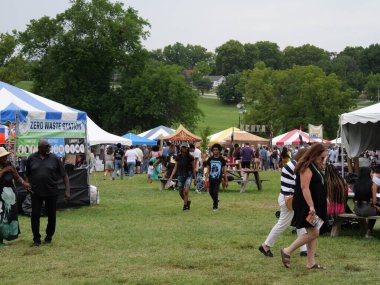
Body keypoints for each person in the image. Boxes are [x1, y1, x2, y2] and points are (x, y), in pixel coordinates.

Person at [280, 143, 328, 269]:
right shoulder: (307, 167)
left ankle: (311, 263)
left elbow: (318, 185)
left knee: (313, 231)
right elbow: (304, 188)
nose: (323, 160)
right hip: (306, 205)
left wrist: (324, 198)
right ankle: (287, 251)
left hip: (314, 205)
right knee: (313, 233)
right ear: (315, 154)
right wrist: (311, 206)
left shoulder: (315, 166)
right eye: (322, 157)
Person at [259, 148, 308, 257]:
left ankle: (304, 249)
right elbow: (294, 187)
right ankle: (265, 246)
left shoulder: (294, 165)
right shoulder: (293, 167)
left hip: (289, 198)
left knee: (300, 223)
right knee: (283, 224)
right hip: (289, 199)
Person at [25, 140, 70, 247]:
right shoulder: (31, 158)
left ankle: (49, 237)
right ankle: (36, 239)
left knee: (51, 215)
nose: (49, 148)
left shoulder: (54, 158)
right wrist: (26, 183)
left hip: (51, 192)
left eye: (49, 146)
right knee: (35, 216)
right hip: (36, 192)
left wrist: (67, 190)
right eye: (47, 147)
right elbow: (27, 174)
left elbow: (64, 175)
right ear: (40, 148)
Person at [0, 147, 31, 247]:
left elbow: (17, 177)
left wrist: (24, 183)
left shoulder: (9, 165)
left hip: (11, 199)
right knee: (1, 218)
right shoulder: (5, 167)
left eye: (6, 156)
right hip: (1, 197)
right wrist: (4, 171)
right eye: (3, 157)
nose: (5, 158)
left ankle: (4, 238)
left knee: (8, 218)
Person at [353, 167, 380, 238]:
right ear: (367, 174)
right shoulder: (373, 184)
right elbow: (374, 201)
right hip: (367, 210)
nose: (372, 174)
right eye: (371, 172)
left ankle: (365, 230)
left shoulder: (356, 184)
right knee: (376, 210)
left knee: (375, 209)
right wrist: (375, 206)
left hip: (357, 210)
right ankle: (369, 232)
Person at [168, 143, 196, 211]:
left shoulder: (191, 157)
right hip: (180, 175)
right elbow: (175, 167)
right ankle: (188, 201)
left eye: (185, 147)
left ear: (188, 148)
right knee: (180, 192)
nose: (184, 148)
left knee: (186, 191)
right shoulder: (178, 157)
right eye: (183, 147)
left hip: (189, 175)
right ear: (181, 148)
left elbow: (193, 168)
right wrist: (171, 177)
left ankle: (185, 206)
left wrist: (195, 178)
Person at [205, 144, 227, 211]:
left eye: (216, 150)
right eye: (214, 150)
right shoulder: (210, 159)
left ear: (219, 150)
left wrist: (226, 180)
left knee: (215, 191)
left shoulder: (222, 159)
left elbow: (224, 171)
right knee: (211, 191)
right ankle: (216, 200)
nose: (215, 151)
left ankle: (215, 206)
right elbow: (208, 169)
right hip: (211, 178)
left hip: (218, 178)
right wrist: (206, 178)